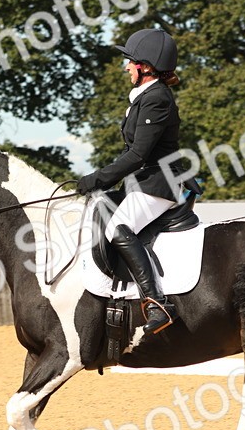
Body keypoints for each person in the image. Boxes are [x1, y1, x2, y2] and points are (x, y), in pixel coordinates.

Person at [77, 28, 185, 335]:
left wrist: (96, 178)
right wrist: (102, 181)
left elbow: (138, 155)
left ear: (145, 67)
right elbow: (131, 152)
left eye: (130, 62)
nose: (126, 67)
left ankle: (157, 303)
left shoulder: (156, 99)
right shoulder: (144, 98)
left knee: (118, 228)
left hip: (158, 183)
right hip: (143, 182)